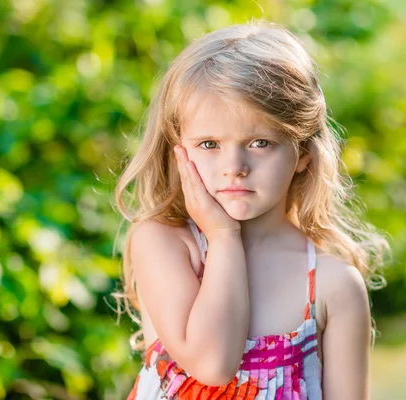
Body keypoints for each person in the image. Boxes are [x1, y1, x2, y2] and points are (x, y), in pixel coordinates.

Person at [113, 19, 389, 400]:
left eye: (260, 142)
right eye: (209, 144)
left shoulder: (331, 285)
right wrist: (224, 238)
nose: (234, 166)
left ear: (303, 154)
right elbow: (212, 364)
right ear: (179, 152)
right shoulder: (164, 243)